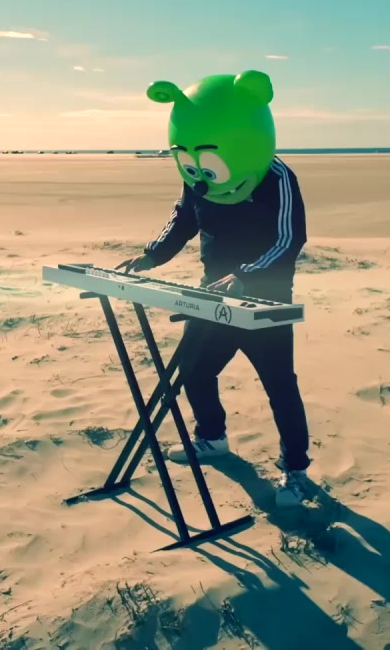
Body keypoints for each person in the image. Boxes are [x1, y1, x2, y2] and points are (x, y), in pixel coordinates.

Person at [116, 70, 312, 507]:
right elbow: (183, 220)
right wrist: (150, 257)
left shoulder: (276, 177)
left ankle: (296, 470)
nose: (200, 178)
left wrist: (246, 275)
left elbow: (289, 239)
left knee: (280, 385)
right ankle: (212, 437)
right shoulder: (197, 174)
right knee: (195, 371)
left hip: (265, 300)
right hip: (211, 295)